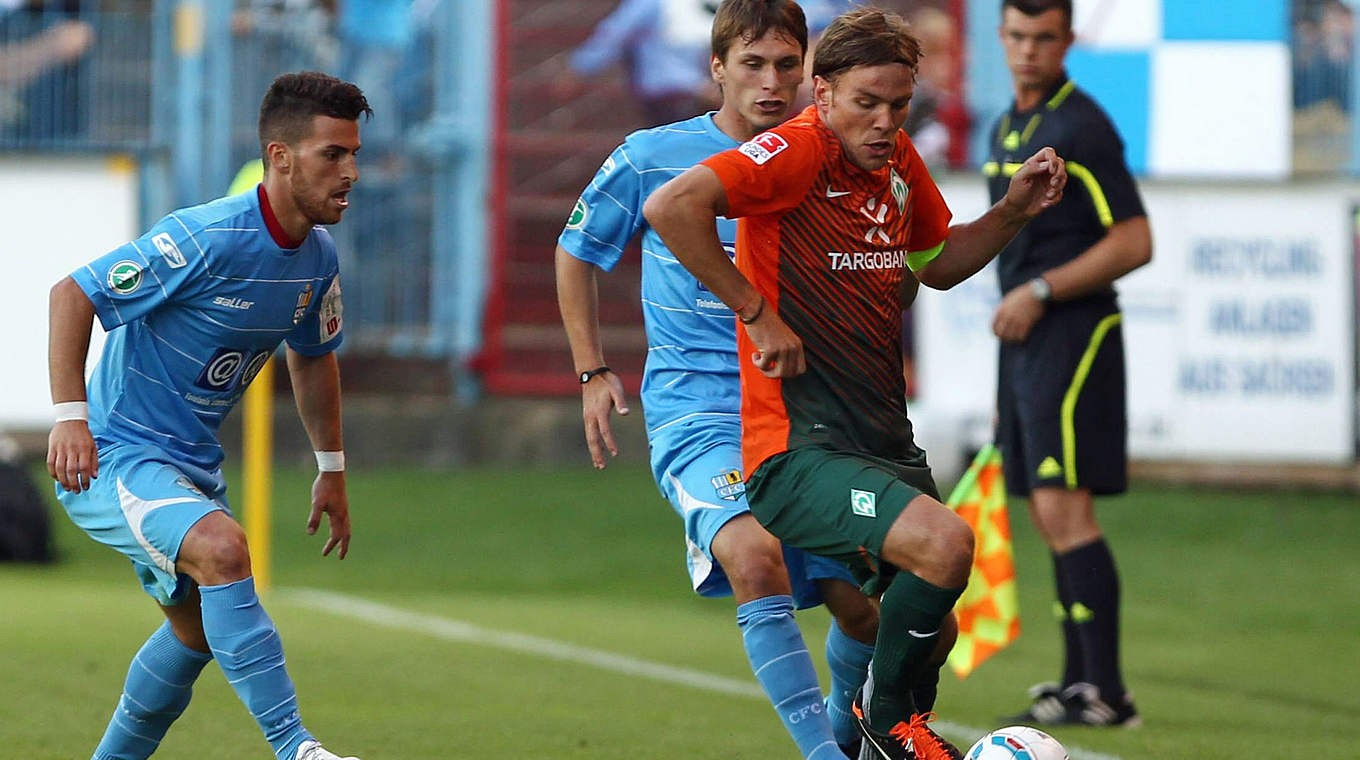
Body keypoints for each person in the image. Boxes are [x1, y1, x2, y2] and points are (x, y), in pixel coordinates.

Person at [643, 8, 1066, 759]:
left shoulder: (896, 160)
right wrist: (757, 314)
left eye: (898, 105)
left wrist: (1010, 212)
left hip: (878, 438)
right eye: (866, 103)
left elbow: (935, 265)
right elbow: (671, 206)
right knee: (944, 545)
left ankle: (867, 731)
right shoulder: (794, 153)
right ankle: (890, 716)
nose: (883, 121)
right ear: (824, 91)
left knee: (932, 631)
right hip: (797, 447)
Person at [556, 2, 892, 757]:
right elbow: (575, 251)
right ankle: (824, 754)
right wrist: (592, 370)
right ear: (717, 68)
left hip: (805, 413)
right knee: (752, 553)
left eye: (786, 65)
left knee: (865, 607)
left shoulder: (828, 160)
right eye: (752, 64)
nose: (772, 83)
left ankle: (851, 732)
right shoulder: (653, 156)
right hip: (698, 412)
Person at [46, 71, 368, 760]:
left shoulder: (317, 258)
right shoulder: (205, 238)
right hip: (115, 456)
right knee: (225, 551)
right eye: (332, 155)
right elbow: (72, 294)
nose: (351, 173)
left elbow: (313, 358)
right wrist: (70, 417)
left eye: (354, 154)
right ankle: (296, 748)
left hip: (187, 469)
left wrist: (331, 468)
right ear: (281, 157)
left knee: (195, 635)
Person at [987, 0, 1151, 728]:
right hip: (1024, 339)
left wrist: (1044, 289)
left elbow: (1136, 239)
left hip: (1072, 333)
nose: (1029, 50)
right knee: (1042, 509)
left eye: (1043, 37)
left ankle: (1108, 691)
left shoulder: (1079, 123)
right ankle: (1075, 681)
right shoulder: (1006, 126)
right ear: (1001, 37)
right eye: (1018, 36)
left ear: (1067, 41)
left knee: (1065, 506)